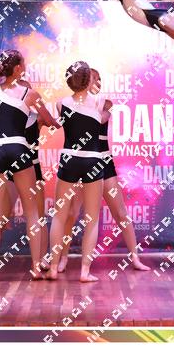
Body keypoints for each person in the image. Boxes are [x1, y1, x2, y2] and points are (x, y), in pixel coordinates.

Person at [0, 50, 60, 282]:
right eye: (23, 63)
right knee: (32, 213)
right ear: (17, 68)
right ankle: (36, 267)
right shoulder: (30, 94)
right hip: (19, 148)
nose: (25, 66)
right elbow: (50, 122)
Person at [56, 68, 150, 273]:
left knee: (120, 212)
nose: (97, 82)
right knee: (71, 213)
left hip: (103, 162)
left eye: (99, 79)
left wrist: (96, 97)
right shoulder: (74, 103)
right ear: (84, 80)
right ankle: (62, 258)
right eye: (93, 79)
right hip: (82, 161)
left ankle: (135, 257)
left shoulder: (100, 102)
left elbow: (107, 108)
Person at [46, 61, 110, 282]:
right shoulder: (99, 101)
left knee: (59, 216)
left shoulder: (61, 103)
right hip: (93, 159)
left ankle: (53, 267)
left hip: (69, 159)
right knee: (91, 219)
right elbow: (105, 112)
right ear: (88, 79)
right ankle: (84, 272)